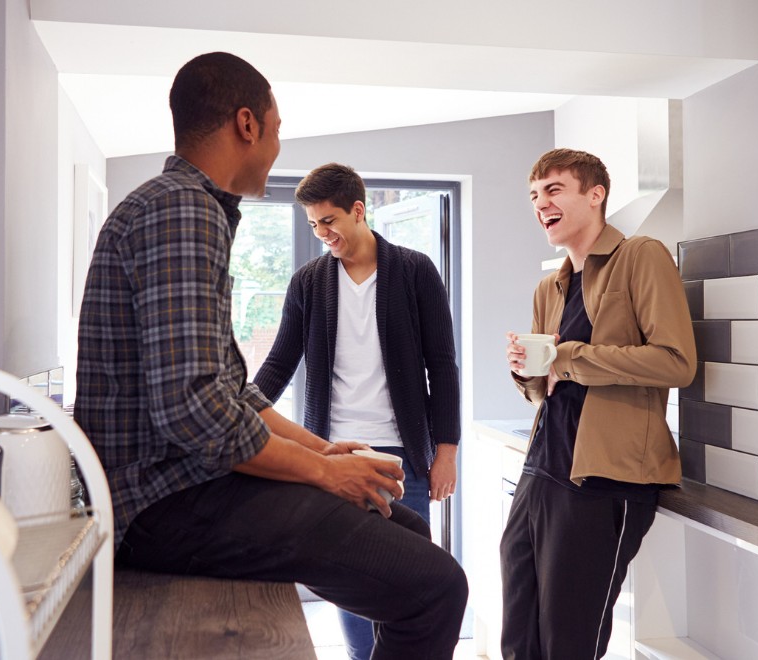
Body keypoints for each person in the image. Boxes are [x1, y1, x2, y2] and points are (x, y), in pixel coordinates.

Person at [74, 52, 468, 660]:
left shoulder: (180, 206)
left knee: (407, 529)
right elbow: (195, 411)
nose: (278, 144)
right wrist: (324, 470)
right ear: (247, 124)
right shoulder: (183, 210)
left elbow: (232, 393)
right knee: (438, 586)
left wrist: (320, 449)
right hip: (165, 502)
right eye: (278, 128)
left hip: (182, 489)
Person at [254, 162, 461, 660]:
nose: (322, 233)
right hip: (334, 454)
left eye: (329, 221)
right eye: (313, 225)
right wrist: (239, 406)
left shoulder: (415, 271)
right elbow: (281, 360)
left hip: (404, 457)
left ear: (358, 210)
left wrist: (446, 452)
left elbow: (443, 366)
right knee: (351, 579)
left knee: (410, 586)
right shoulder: (308, 283)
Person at [501, 148, 696, 659]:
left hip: (606, 480)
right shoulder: (551, 284)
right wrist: (527, 371)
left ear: (595, 195)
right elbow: (547, 384)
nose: (541, 202)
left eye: (554, 189)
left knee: (569, 638)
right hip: (543, 468)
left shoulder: (641, 256)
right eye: (534, 195)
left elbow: (677, 362)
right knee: (519, 635)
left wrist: (568, 357)